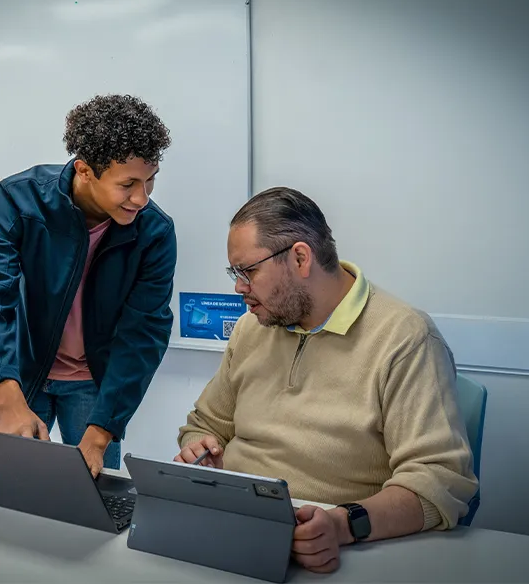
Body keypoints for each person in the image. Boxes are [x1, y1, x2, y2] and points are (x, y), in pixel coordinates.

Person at [174, 187, 478, 573]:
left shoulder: (404, 338)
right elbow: (204, 425)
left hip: (333, 547)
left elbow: (439, 480)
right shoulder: (253, 328)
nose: (239, 287)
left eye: (248, 271)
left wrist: (342, 525)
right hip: (234, 532)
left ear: (300, 258)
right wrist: (198, 449)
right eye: (234, 273)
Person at [0, 94, 176, 477]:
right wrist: (8, 400)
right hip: (20, 377)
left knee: (95, 498)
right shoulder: (18, 201)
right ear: (84, 171)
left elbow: (144, 334)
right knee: (9, 490)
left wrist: (100, 434)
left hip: (95, 388)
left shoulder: (155, 233)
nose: (142, 198)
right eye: (128, 184)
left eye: (150, 180)